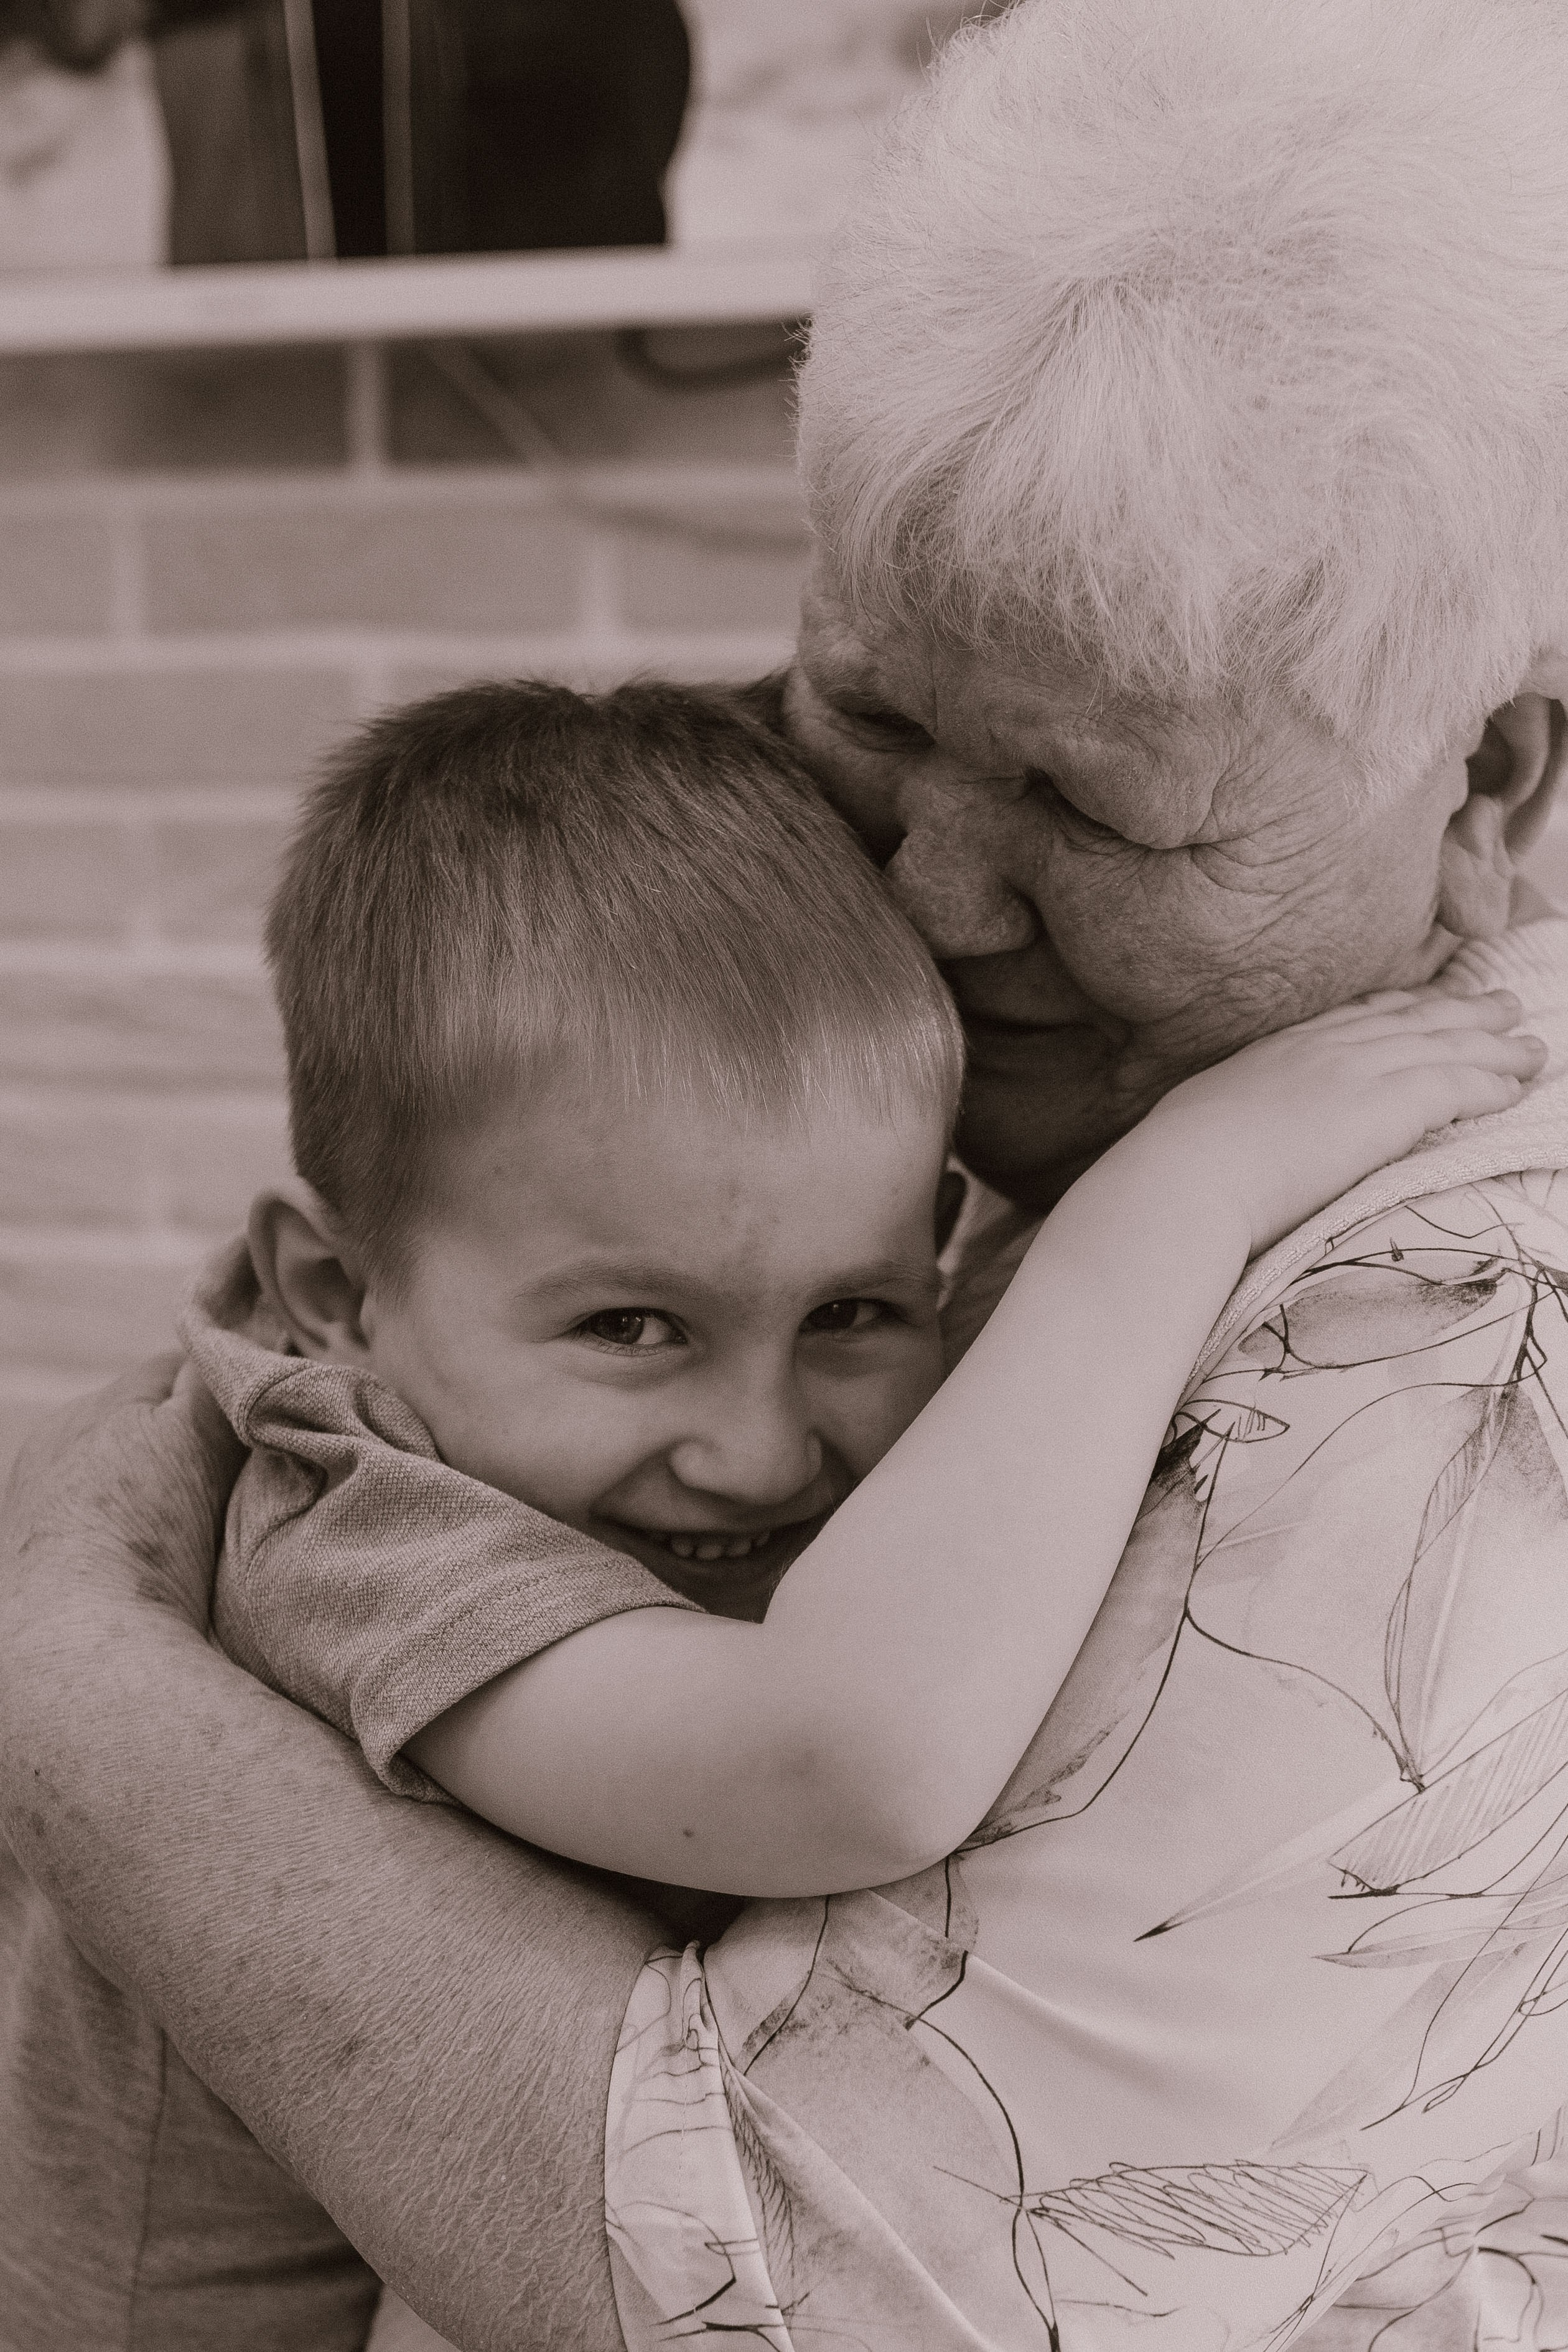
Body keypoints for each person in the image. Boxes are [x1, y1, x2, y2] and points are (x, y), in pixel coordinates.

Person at [6, 0, 1568, 2343]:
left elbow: (798, 2258)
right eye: (871, 706)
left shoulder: (1436, 1316)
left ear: (1491, 780)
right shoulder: (1069, 1070)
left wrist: (67, 1670)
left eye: (1100, 812)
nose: (932, 891)